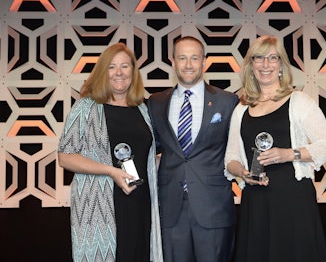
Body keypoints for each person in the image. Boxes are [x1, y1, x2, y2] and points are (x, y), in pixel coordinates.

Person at [224, 35, 326, 262]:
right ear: (251, 66)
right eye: (259, 58)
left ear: (281, 65)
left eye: (272, 58)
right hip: (255, 202)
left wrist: (289, 154)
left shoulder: (299, 101)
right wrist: (244, 173)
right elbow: (231, 158)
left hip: (293, 200)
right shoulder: (241, 109)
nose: (265, 64)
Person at [58, 43, 163, 262]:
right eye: (112, 67)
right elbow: (65, 156)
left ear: (133, 72)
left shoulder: (143, 109)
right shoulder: (86, 107)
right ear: (103, 71)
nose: (119, 72)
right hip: (99, 204)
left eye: (125, 66)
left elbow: (149, 155)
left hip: (140, 202)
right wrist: (111, 171)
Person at [147, 36, 239, 262]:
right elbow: (150, 147)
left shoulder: (228, 101)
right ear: (173, 62)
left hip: (213, 207)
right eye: (182, 58)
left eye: (194, 58)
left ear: (204, 62)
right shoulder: (155, 102)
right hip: (171, 208)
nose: (188, 65)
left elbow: (238, 148)